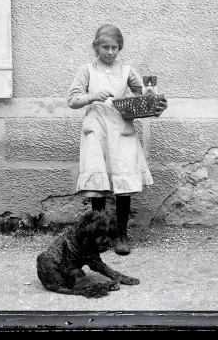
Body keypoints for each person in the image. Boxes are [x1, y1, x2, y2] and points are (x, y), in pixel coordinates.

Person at [67, 24, 167, 255]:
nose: (110, 52)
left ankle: (121, 234)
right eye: (105, 47)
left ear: (119, 48)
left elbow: (145, 97)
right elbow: (72, 100)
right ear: (96, 47)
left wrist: (158, 105)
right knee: (98, 186)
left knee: (123, 186)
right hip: (97, 130)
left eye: (114, 48)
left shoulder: (127, 71)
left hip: (122, 130)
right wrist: (92, 96)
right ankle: (100, 236)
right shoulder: (87, 71)